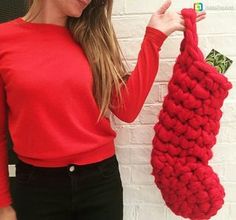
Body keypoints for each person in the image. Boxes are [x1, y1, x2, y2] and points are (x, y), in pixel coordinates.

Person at [0, 0, 206, 219]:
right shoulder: (4, 39)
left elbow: (126, 109)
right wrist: (3, 205)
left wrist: (154, 38)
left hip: (99, 183)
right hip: (36, 190)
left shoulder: (91, 37)